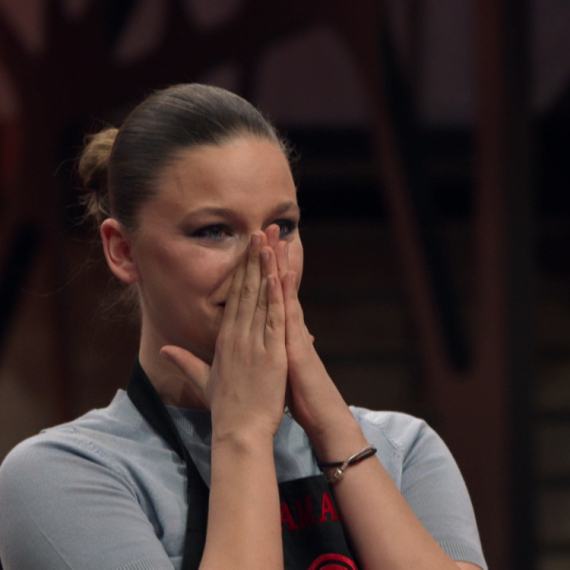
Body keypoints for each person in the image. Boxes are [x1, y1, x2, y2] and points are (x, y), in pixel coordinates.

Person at [0, 84, 487, 570]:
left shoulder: (402, 449)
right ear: (123, 251)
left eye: (284, 226)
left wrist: (333, 426)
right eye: (214, 231)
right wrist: (243, 434)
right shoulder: (64, 474)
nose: (262, 261)